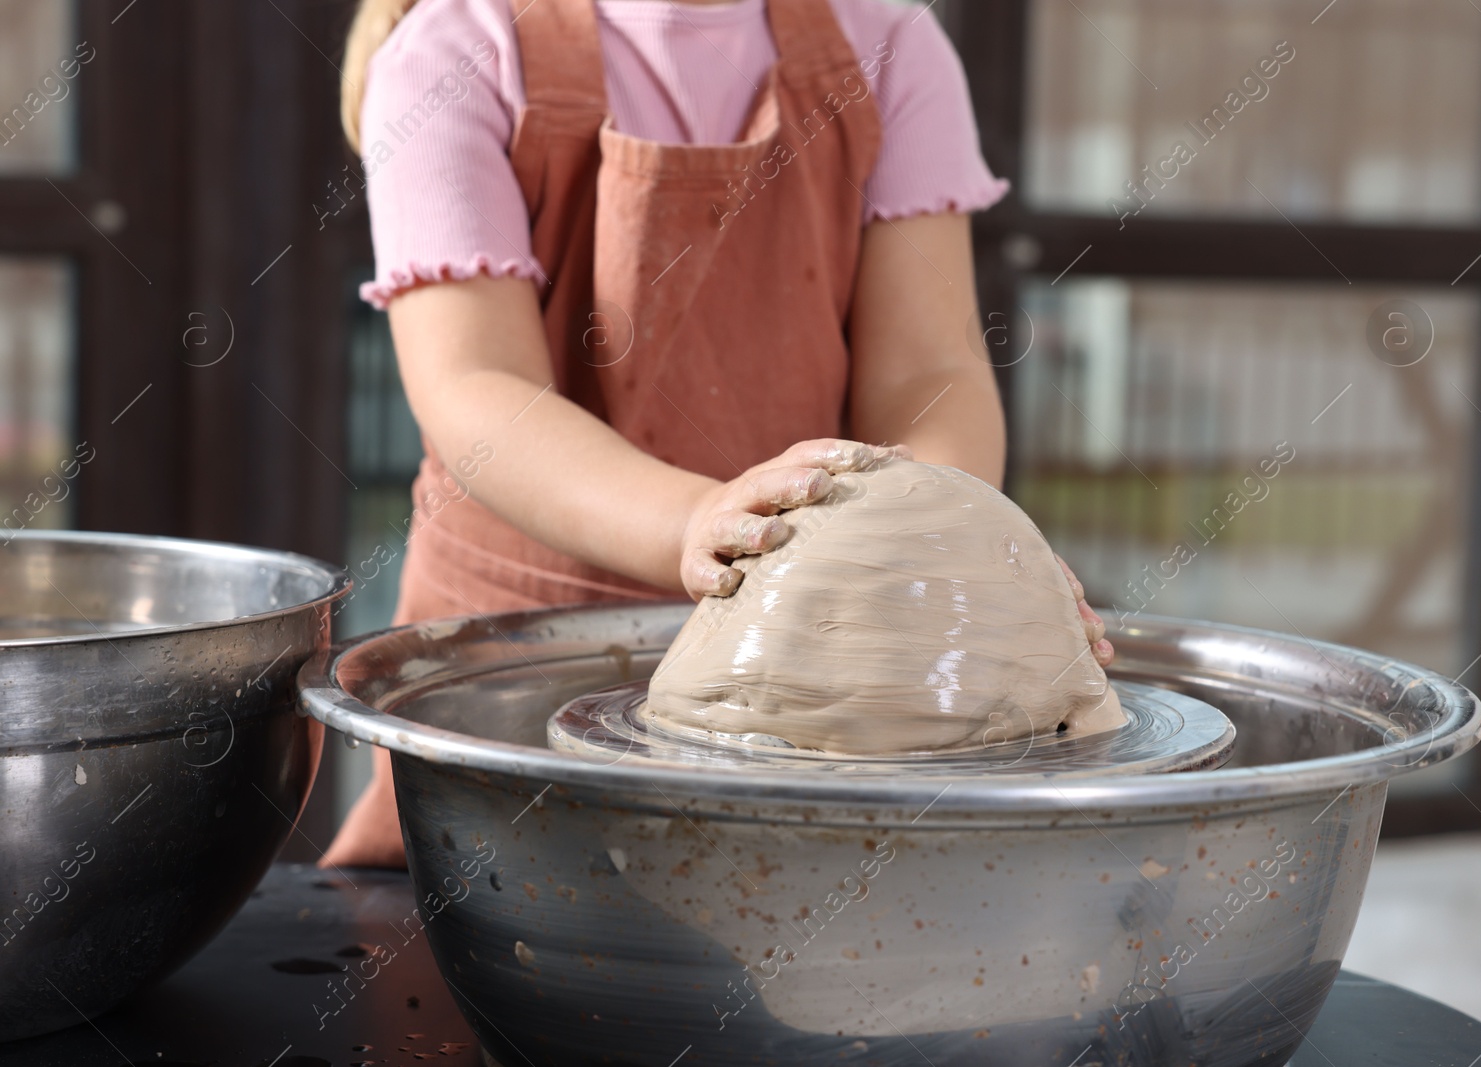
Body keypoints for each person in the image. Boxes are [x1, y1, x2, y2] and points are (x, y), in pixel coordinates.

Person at [323, 0, 1113, 868]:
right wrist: (694, 524)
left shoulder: (891, 49)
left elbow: (929, 373)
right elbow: (479, 387)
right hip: (516, 687)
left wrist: (960, 557)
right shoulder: (455, 53)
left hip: (818, 706)